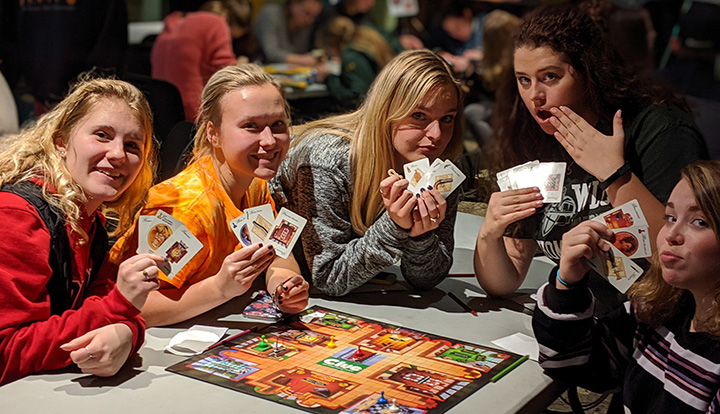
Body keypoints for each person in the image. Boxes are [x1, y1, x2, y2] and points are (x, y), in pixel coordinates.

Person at [474, 4, 707, 299]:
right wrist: (489, 233)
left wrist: (614, 174)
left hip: (653, 323)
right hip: (572, 317)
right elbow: (504, 281)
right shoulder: (534, 138)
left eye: (550, 77)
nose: (535, 96)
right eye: (524, 80)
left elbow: (676, 254)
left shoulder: (660, 130)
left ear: (587, 71)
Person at [110, 64, 309, 327]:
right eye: (251, 126)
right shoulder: (185, 209)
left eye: (278, 124)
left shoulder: (255, 184)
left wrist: (284, 288)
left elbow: (277, 254)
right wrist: (220, 288)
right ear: (213, 134)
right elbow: (135, 306)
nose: (270, 140)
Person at [0, 78, 163, 385]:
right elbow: (5, 352)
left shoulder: (92, 221)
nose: (117, 154)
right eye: (102, 135)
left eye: (132, 145)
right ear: (61, 142)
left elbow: (110, 311)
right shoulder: (16, 216)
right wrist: (120, 308)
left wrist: (128, 332)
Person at [270, 49, 464, 297]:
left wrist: (421, 236)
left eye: (447, 118)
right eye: (419, 116)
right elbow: (328, 277)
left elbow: (427, 279)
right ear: (386, 111)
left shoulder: (442, 164)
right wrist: (394, 226)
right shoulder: (327, 159)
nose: (436, 134)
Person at [533, 160, 720, 413]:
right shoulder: (657, 311)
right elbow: (570, 361)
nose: (670, 235)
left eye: (700, 222)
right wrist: (568, 283)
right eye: (670, 217)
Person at [151, 1, 242, 121]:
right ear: (227, 18)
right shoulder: (216, 22)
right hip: (196, 115)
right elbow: (227, 72)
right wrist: (244, 67)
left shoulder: (172, 23)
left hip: (162, 114)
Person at [315, 16, 395, 110]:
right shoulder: (363, 41)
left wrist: (330, 77)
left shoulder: (351, 57)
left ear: (332, 45)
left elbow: (356, 99)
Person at [255, 0, 323, 65]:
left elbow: (300, 52)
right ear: (294, 3)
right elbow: (272, 53)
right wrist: (303, 59)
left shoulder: (304, 25)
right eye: (307, 13)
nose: (310, 20)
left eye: (314, 16)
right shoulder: (271, 13)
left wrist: (313, 58)